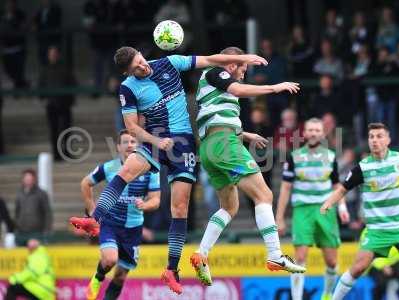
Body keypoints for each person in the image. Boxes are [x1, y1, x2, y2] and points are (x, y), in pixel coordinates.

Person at [70, 47, 268, 294]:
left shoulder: (169, 62)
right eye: (134, 68)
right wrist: (154, 141)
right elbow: (131, 127)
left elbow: (210, 60)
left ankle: (171, 269)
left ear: (142, 54)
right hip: (155, 137)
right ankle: (94, 220)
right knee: (126, 171)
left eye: (140, 61)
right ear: (126, 73)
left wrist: (242, 58)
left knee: (180, 207)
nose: (141, 67)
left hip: (183, 143)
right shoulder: (128, 88)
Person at [189, 46, 306, 287]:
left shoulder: (214, 86)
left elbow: (217, 118)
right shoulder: (216, 72)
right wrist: (274, 87)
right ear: (231, 64)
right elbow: (239, 90)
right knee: (264, 195)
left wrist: (247, 134)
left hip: (211, 147)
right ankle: (275, 255)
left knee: (229, 207)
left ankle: (201, 255)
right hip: (224, 145)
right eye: (242, 68)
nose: (242, 73)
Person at [75, 130, 160, 300]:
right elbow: (86, 183)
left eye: (133, 142)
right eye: (125, 142)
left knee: (120, 276)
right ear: (118, 147)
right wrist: (91, 210)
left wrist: (145, 204)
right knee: (111, 259)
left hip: (133, 229)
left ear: (138, 146)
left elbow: (156, 200)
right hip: (111, 224)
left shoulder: (150, 171)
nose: (129, 145)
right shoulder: (109, 167)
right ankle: (98, 278)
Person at [320, 123, 399, 300]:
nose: (374, 140)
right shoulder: (363, 168)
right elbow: (342, 189)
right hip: (377, 231)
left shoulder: (398, 160)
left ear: (388, 140)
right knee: (358, 268)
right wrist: (328, 203)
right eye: (371, 136)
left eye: (379, 136)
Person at [276, 118, 350, 300]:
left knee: (332, 261)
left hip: (326, 210)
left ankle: (326, 294)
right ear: (304, 133)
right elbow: (285, 188)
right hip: (302, 210)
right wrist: (279, 218)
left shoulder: (331, 157)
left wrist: (342, 206)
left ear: (323, 133)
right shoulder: (294, 156)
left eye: (317, 130)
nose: (314, 133)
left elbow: (336, 186)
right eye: (310, 130)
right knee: (299, 258)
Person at [39, 46, 75, 161]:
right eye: (51, 54)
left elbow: (73, 84)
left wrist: (70, 101)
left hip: (64, 104)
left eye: (54, 53)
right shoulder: (44, 71)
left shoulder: (65, 69)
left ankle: (67, 152)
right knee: (54, 131)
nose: (53, 56)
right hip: (51, 105)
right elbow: (41, 87)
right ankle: (56, 154)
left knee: (66, 130)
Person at [15, 169, 52, 246]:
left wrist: (46, 229)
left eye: (30, 179)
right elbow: (17, 211)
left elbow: (47, 212)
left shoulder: (41, 194)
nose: (28, 181)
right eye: (26, 179)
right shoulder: (19, 194)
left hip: (36, 232)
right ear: (23, 180)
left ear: (34, 179)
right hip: (22, 231)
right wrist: (17, 224)